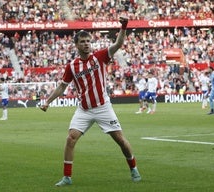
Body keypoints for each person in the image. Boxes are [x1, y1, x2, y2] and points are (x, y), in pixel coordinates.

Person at [40, 16, 141, 187]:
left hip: (103, 107)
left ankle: (134, 168)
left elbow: (118, 44)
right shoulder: (72, 66)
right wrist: (48, 101)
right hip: (84, 109)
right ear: (77, 45)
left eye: (88, 41)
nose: (86, 44)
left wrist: (124, 26)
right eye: (83, 41)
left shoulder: (100, 56)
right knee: (71, 139)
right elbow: (62, 87)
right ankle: (67, 177)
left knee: (120, 140)